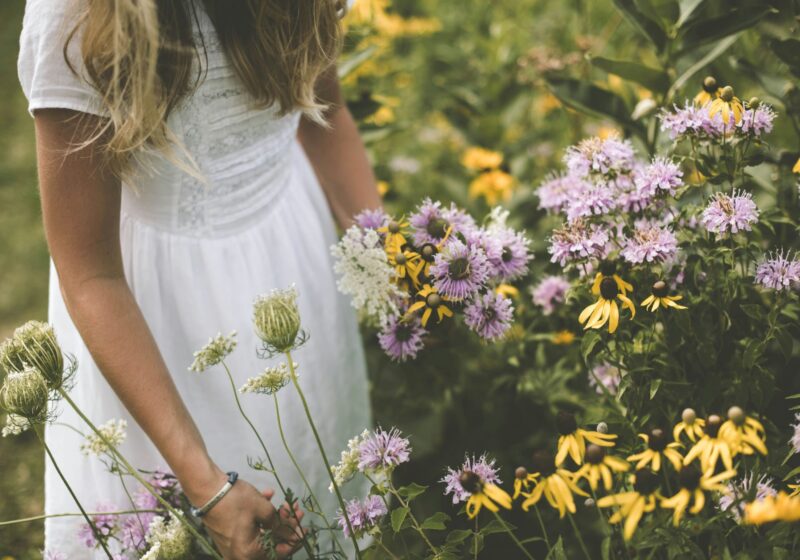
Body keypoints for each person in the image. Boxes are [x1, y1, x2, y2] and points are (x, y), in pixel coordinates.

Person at [17, 0, 378, 557]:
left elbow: (325, 116)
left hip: (294, 255)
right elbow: (89, 272)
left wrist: (390, 260)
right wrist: (206, 486)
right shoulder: (80, 16)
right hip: (155, 319)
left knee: (315, 478)